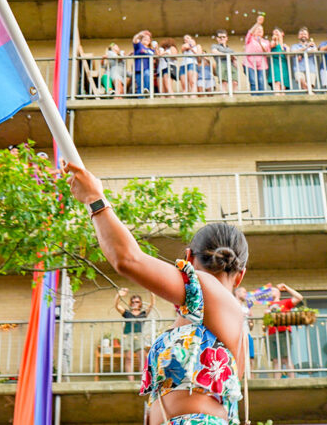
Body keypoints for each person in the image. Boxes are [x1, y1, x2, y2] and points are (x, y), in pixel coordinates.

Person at [65, 162, 247, 425]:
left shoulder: (210, 292)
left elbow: (128, 259)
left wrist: (95, 199)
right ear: (241, 274)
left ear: (187, 259)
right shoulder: (212, 320)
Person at [115, 288, 156, 380]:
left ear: (140, 303)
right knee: (129, 358)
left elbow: (152, 304)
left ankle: (143, 380)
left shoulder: (143, 313)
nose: (135, 303)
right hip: (128, 335)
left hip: (139, 336)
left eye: (137, 302)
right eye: (133, 302)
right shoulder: (127, 313)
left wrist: (151, 292)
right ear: (130, 303)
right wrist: (118, 295)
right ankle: (131, 380)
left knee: (142, 357)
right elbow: (117, 306)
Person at [266, 283, 303, 378]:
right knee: (275, 360)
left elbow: (299, 297)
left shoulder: (284, 302)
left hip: (283, 332)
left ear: (279, 293)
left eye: (273, 290)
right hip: (271, 334)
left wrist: (286, 287)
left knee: (286, 358)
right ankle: (276, 382)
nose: (270, 292)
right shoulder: (268, 305)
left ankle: (292, 380)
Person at [244, 15, 270, 94]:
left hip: (261, 64)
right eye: (257, 29)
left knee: (261, 82)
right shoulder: (250, 39)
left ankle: (261, 100)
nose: (259, 30)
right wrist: (257, 23)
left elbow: (267, 53)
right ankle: (254, 97)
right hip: (249, 63)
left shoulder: (266, 42)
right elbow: (250, 32)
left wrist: (260, 43)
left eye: (261, 29)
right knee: (253, 82)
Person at [234, 287, 255, 378]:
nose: (246, 294)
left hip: (247, 334)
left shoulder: (246, 307)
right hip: (236, 335)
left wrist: (251, 316)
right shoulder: (232, 304)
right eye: (244, 292)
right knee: (238, 358)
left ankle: (251, 379)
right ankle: (239, 377)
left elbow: (251, 326)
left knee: (251, 358)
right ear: (237, 293)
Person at [290, 27, 319, 92]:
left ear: (308, 36)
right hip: (299, 68)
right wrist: (307, 48)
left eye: (305, 34)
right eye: (301, 34)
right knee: (300, 80)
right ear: (298, 36)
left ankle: (311, 96)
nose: (303, 35)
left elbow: (315, 51)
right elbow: (293, 52)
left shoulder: (312, 45)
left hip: (310, 68)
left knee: (310, 86)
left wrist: (301, 54)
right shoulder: (294, 46)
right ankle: (312, 95)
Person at [132, 30, 156, 96]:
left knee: (147, 74)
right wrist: (140, 34)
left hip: (148, 67)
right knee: (139, 86)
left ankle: (146, 89)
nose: (146, 39)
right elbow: (134, 39)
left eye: (148, 38)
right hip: (138, 68)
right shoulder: (139, 45)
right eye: (145, 38)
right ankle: (141, 100)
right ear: (141, 40)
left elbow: (156, 58)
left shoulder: (152, 50)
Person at [268, 28, 291, 95]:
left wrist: (286, 49)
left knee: (283, 85)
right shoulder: (273, 43)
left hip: (283, 66)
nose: (275, 34)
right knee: (277, 83)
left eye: (276, 32)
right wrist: (275, 40)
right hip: (275, 65)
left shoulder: (285, 46)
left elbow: (288, 55)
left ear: (282, 33)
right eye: (274, 33)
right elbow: (271, 45)